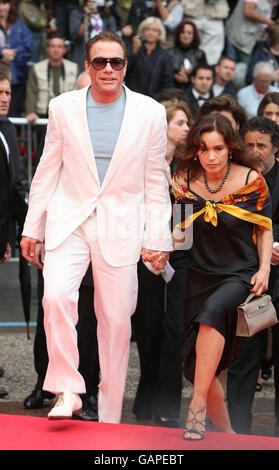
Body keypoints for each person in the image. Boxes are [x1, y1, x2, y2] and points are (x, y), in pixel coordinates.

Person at [20, 31, 173, 423]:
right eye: (99, 62)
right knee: (55, 299)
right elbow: (46, 170)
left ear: (126, 66)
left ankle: (109, 416)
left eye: (116, 62)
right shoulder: (62, 107)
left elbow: (156, 181)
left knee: (117, 324)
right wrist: (31, 228)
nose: (108, 68)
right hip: (68, 219)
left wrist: (159, 238)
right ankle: (68, 388)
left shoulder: (151, 112)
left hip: (121, 226)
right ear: (87, 66)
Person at [172, 113, 273, 440]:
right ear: (195, 150)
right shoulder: (184, 180)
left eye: (218, 148)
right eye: (203, 149)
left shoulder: (251, 180)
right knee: (199, 366)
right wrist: (160, 243)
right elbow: (181, 236)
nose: (211, 156)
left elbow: (263, 229)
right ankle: (229, 435)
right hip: (200, 275)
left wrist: (264, 269)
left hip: (238, 274)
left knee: (212, 314)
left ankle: (196, 411)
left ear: (230, 147)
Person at [132, 98, 193, 427]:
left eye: (187, 123)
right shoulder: (141, 163)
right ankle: (146, 399)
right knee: (148, 329)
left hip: (178, 258)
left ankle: (168, 404)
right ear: (162, 126)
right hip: (144, 256)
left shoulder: (187, 169)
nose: (186, 129)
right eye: (179, 123)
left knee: (174, 330)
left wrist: (169, 248)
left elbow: (187, 219)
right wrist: (148, 247)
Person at [226, 117, 279, 435]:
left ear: (276, 147)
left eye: (262, 145)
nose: (255, 151)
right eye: (250, 145)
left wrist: (274, 243)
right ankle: (236, 434)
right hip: (246, 279)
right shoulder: (235, 179)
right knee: (243, 362)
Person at [0, 72, 27, 398]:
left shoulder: (7, 127)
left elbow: (9, 191)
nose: (5, 97)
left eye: (7, 92)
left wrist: (7, 236)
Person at [25, 33, 80, 123]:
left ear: (64, 50)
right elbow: (31, 92)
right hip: (42, 116)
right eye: (52, 46)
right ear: (47, 49)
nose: (56, 49)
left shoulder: (74, 68)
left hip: (68, 115)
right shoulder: (37, 68)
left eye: (59, 46)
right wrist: (30, 112)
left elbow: (78, 93)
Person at [125, 16, 174, 98]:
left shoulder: (165, 56)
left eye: (154, 30)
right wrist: (134, 52)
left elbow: (167, 83)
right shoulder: (133, 49)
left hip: (155, 99)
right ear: (142, 31)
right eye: (147, 29)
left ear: (160, 34)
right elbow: (125, 72)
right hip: (133, 98)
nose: (150, 32)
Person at [0, 0, 33, 116]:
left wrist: (13, 54)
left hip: (15, 76)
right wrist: (2, 52)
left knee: (12, 113)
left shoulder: (19, 24)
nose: (1, 7)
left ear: (10, 5)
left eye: (4, 3)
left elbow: (29, 47)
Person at [68, 0, 117, 71]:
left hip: (103, 54)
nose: (93, 4)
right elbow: (75, 35)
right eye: (91, 1)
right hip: (83, 54)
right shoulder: (77, 14)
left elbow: (113, 38)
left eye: (96, 1)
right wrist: (87, 16)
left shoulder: (108, 17)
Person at [225, 0, 274, 65]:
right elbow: (248, 11)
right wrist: (270, 23)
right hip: (241, 39)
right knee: (239, 67)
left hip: (257, 40)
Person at [182, 0, 230, 66]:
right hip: (191, 10)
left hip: (216, 13)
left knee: (213, 53)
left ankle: (208, 71)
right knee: (187, 44)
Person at [167, 19, 207, 91]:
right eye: (183, 32)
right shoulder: (169, 53)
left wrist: (188, 80)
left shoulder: (200, 54)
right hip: (170, 90)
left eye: (189, 33)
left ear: (194, 35)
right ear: (178, 34)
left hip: (192, 92)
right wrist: (175, 76)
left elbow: (204, 77)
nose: (186, 35)